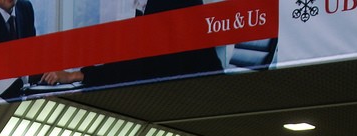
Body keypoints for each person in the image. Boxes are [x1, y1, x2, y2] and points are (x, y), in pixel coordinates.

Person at [40, 0, 222, 89]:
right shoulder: (144, 10)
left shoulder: (167, 5)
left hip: (196, 101)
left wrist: (76, 75)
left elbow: (137, 67)